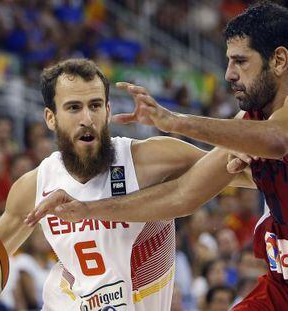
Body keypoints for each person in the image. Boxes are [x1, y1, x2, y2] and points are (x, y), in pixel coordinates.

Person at [0, 59, 251, 311]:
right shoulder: (33, 186)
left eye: (95, 105)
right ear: (50, 117)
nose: (87, 117)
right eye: (73, 107)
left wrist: (252, 151)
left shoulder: (150, 159)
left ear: (107, 110)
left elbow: (243, 175)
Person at [26, 2, 288, 310]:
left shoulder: (262, 132)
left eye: (240, 61)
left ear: (280, 60)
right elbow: (183, 194)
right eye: (229, 61)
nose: (229, 74)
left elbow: (277, 140)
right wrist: (87, 210)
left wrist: (176, 122)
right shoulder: (251, 122)